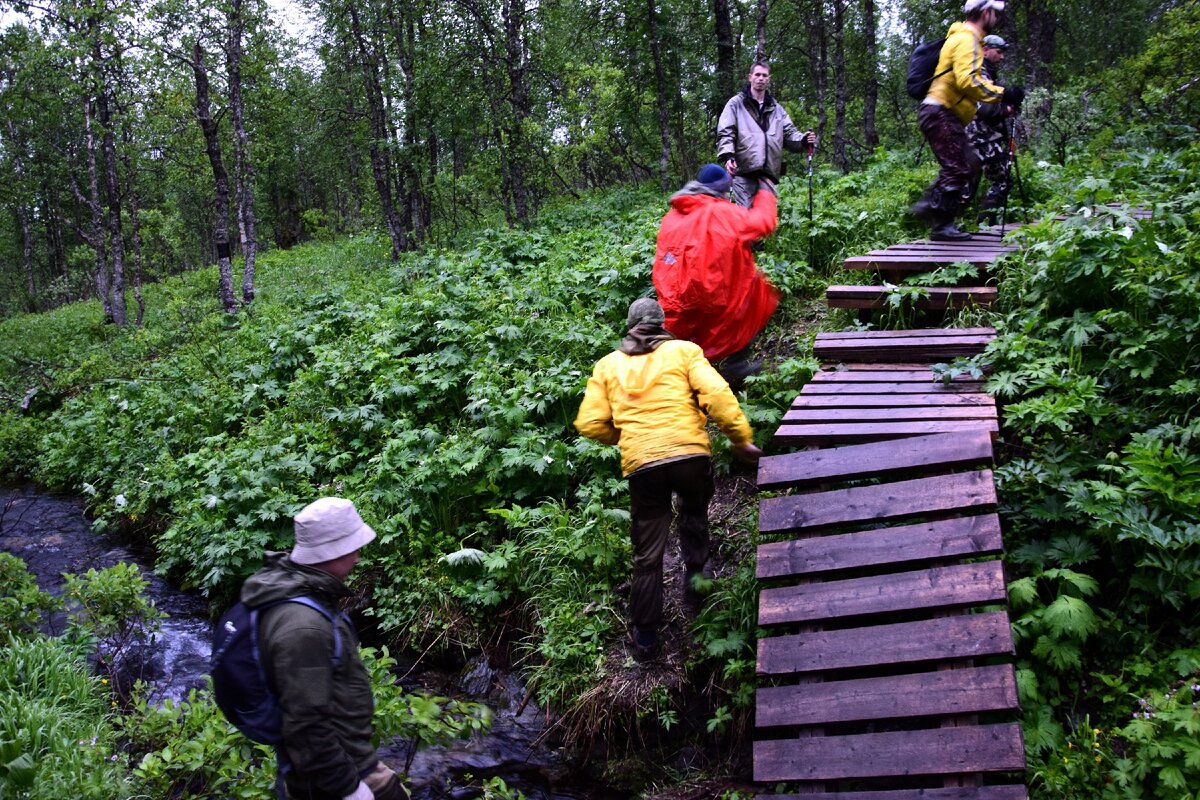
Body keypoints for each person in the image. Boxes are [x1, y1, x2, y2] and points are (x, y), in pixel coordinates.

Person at [574, 298, 763, 662]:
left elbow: (589, 423)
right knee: (694, 513)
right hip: (690, 455)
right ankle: (697, 587)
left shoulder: (608, 365)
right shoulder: (684, 352)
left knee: (647, 553)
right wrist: (739, 438)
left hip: (644, 466)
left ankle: (645, 639)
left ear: (630, 327)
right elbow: (718, 395)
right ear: (662, 323)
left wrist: (628, 436)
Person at [239, 497, 407, 800]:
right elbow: (306, 724)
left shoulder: (302, 593)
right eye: (353, 546)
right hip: (331, 773)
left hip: (339, 761)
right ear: (333, 550)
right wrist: (348, 788)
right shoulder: (304, 626)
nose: (358, 556)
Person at [652, 164, 780, 388]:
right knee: (755, 295)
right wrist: (766, 193)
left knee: (685, 337)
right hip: (710, 298)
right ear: (722, 191)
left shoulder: (672, 217)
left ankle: (679, 381)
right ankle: (736, 365)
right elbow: (763, 223)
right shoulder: (724, 213)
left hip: (673, 299)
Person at [911, 0, 1024, 241]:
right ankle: (939, 223)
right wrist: (1004, 94)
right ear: (986, 12)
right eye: (995, 13)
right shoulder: (966, 39)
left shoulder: (968, 38)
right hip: (940, 110)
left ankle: (933, 209)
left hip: (944, 112)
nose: (997, 17)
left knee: (970, 162)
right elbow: (967, 81)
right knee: (958, 166)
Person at [717, 60, 817, 207]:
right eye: (757, 75)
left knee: (766, 218)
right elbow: (726, 131)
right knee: (745, 217)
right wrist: (728, 156)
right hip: (743, 170)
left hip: (768, 172)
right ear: (750, 77)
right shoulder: (736, 104)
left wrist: (804, 140)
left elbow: (789, 134)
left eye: (764, 75)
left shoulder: (776, 108)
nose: (761, 78)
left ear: (769, 79)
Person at [966, 34, 1017, 223]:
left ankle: (981, 225)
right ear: (985, 50)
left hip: (975, 136)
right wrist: (1008, 108)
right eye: (999, 51)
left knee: (967, 185)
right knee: (1002, 177)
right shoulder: (980, 72)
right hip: (979, 136)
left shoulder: (982, 71)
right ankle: (985, 224)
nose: (1002, 57)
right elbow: (986, 109)